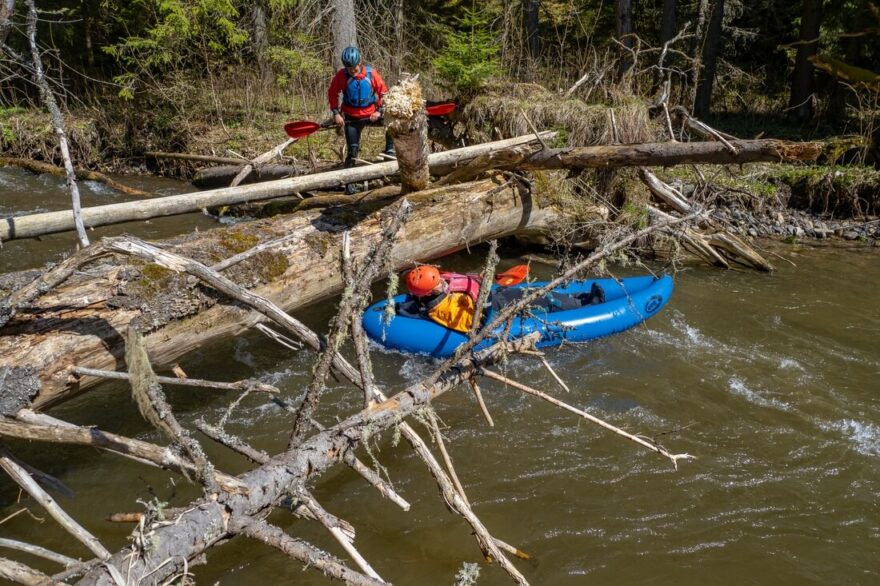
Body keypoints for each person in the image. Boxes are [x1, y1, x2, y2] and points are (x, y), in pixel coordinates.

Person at [401, 266, 605, 333]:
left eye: (438, 277)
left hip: (497, 296)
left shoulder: (431, 290)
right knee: (545, 301)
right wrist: (486, 296)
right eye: (437, 283)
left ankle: (574, 298)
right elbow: (475, 324)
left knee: (536, 291)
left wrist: (478, 279)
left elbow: (452, 282)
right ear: (428, 293)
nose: (442, 283)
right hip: (498, 309)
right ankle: (587, 305)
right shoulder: (442, 310)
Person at [327, 46, 395, 195]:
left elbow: (384, 93)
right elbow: (332, 93)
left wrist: (379, 110)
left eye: (354, 67)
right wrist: (336, 113)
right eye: (349, 68)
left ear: (360, 62)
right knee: (352, 151)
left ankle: (390, 150)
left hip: (371, 114)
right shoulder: (342, 76)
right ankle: (349, 184)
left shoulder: (371, 74)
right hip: (351, 118)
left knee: (393, 121)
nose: (352, 70)